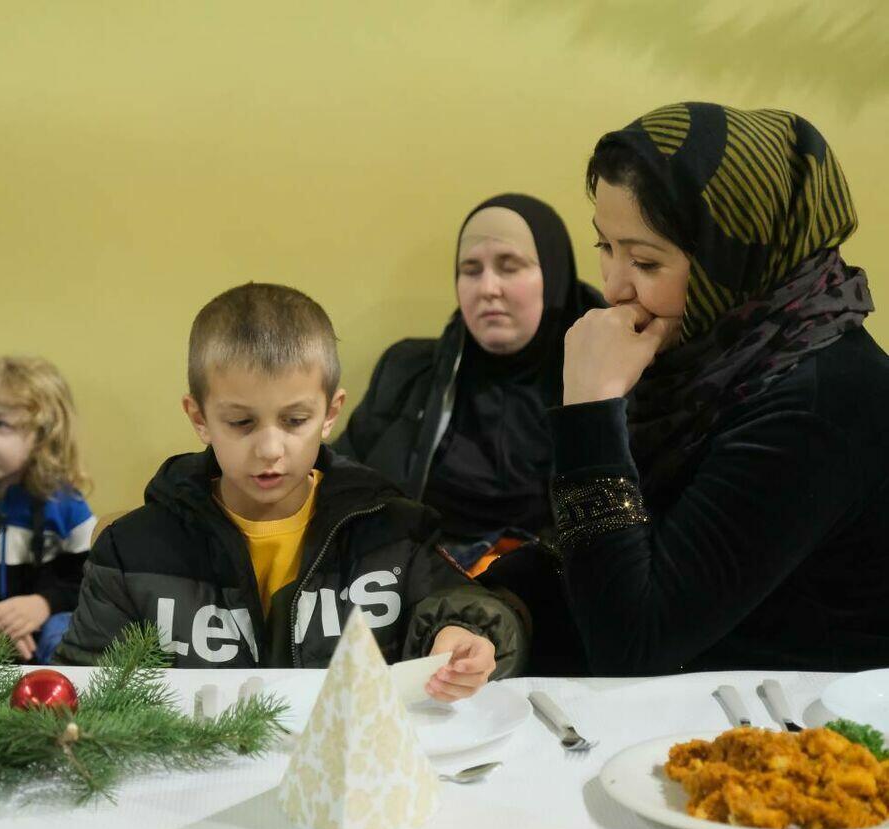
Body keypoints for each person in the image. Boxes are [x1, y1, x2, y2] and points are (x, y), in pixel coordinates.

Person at [56, 282, 528, 700]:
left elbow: (475, 610)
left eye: (295, 420)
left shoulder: (391, 532)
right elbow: (83, 687)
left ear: (330, 414)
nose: (269, 449)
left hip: (353, 766)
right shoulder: (132, 552)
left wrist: (465, 636)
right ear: (199, 418)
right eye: (241, 422)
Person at [547, 102, 888, 674]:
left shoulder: (822, 403)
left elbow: (631, 645)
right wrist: (498, 608)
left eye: (645, 262)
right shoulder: (713, 365)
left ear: (731, 257)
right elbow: (607, 560)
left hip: (811, 724)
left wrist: (590, 412)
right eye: (606, 247)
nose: (613, 289)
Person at [335, 195, 603, 574]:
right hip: (419, 585)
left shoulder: (611, 388)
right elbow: (339, 486)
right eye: (471, 270)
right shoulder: (409, 374)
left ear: (554, 277)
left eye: (509, 267)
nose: (487, 288)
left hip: (557, 589)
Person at [0, 356, 96, 663]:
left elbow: (92, 582)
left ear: (42, 437)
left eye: (0, 424)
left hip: (41, 637)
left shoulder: (65, 506)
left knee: (66, 628)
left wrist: (42, 604)